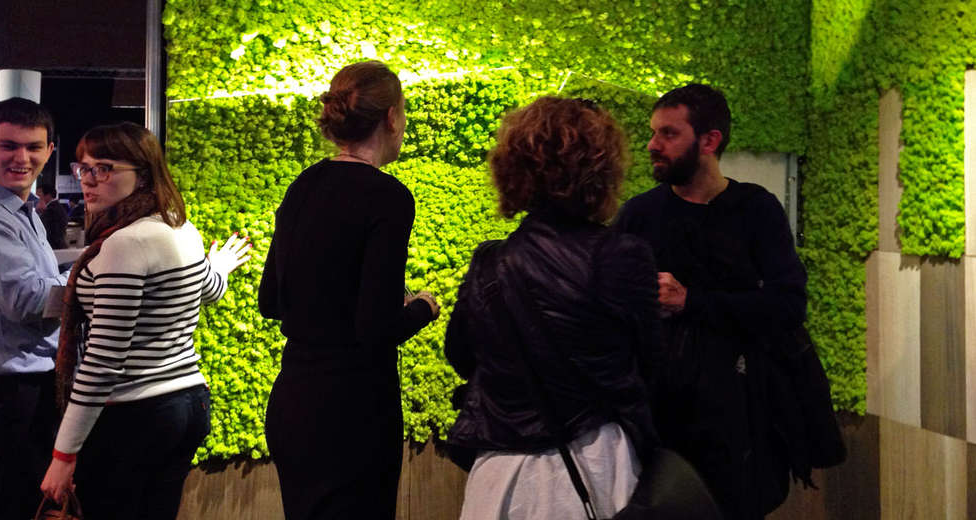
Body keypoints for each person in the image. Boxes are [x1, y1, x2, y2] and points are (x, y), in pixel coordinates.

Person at [445, 97, 662, 519]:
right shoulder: (621, 255)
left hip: (501, 478)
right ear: (601, 169)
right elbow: (649, 364)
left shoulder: (490, 262)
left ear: (513, 170)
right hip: (596, 466)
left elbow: (461, 355)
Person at [615, 84, 808, 519]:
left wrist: (691, 301)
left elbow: (789, 305)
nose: (652, 145)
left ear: (709, 140)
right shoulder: (639, 215)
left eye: (668, 133)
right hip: (656, 420)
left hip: (739, 420)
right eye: (653, 132)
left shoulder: (756, 210)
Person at [39, 122, 251, 519]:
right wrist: (218, 265)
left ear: (142, 174)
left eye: (104, 168)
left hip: (134, 413)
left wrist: (63, 455)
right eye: (84, 167)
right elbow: (207, 289)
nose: (89, 180)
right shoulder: (178, 226)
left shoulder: (125, 243)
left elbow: (104, 360)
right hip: (187, 402)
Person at [258, 60, 440, 520]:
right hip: (353, 410)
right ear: (392, 117)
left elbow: (270, 300)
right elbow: (375, 329)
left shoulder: (303, 185)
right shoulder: (388, 197)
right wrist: (422, 307)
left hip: (294, 401)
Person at [0, 97, 68, 519]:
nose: (21, 158)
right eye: (8, 146)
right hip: (10, 392)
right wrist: (97, 279)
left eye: (33, 147)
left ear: (49, 151)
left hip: (29, 386)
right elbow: (27, 299)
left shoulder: (26, 212)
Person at [36, 185, 69, 249]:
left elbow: (43, 230)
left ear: (48, 195)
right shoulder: (57, 206)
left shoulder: (51, 210)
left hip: (53, 247)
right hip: (58, 245)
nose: (38, 197)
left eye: (40, 194)